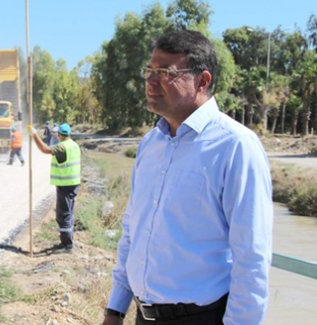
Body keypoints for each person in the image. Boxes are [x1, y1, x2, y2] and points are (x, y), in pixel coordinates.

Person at [102, 30, 273, 325]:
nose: (151, 81)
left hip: (201, 317)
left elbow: (252, 258)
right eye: (149, 71)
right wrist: (116, 308)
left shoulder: (235, 146)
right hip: (144, 316)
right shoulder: (150, 144)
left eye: (166, 72)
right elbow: (133, 231)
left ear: (202, 81)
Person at [29, 122, 81, 252]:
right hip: (72, 184)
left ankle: (67, 245)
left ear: (59, 135)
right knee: (67, 213)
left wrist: (34, 134)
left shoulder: (62, 147)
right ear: (69, 134)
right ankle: (67, 242)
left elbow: (45, 149)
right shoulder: (74, 145)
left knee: (64, 215)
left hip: (66, 185)